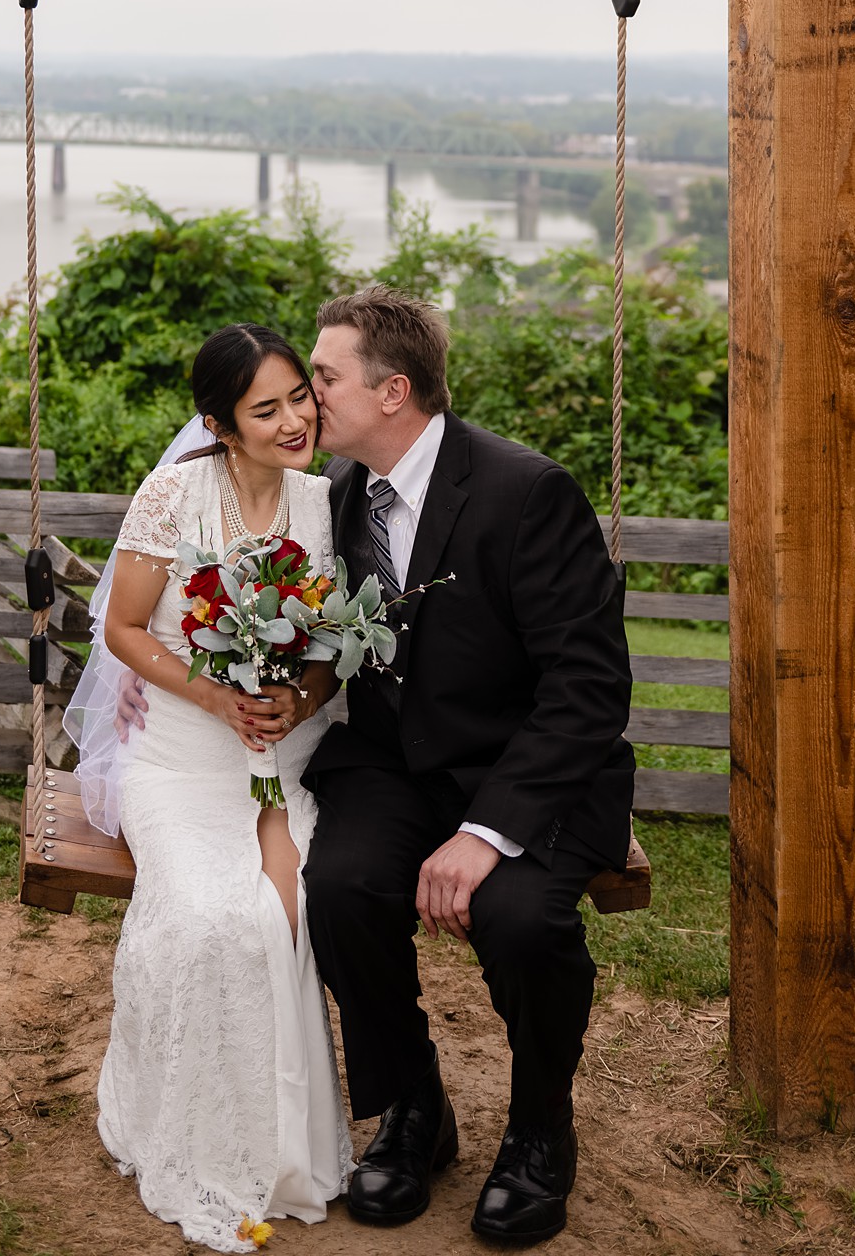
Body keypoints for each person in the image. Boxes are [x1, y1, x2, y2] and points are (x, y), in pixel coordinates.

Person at [300, 284, 634, 1244]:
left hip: (527, 768)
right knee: (343, 886)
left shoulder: (525, 492)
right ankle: (413, 1106)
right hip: (391, 765)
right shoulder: (341, 496)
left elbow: (588, 689)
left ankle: (538, 1129)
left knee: (522, 919)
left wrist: (486, 834)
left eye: (325, 378)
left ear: (392, 390)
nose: (309, 395)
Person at [69, 323, 352, 1253]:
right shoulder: (173, 495)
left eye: (298, 399)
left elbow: (336, 651)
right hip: (182, 756)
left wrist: (296, 697)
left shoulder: (325, 504)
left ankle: (285, 1148)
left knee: (285, 908)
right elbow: (125, 629)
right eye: (264, 409)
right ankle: (186, 1132)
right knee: (200, 916)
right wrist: (216, 694)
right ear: (219, 425)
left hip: (285, 750)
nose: (294, 420)